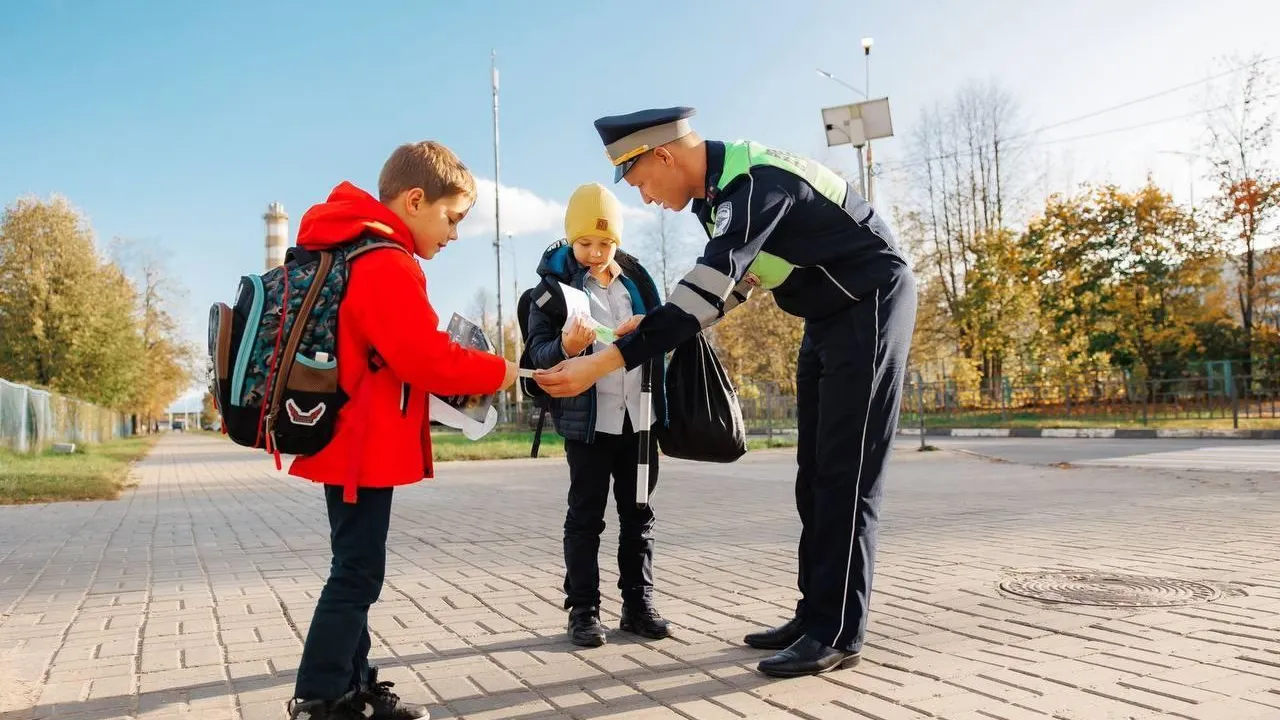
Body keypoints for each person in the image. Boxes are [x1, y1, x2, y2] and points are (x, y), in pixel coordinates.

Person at [534, 107, 917, 679]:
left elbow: (706, 293)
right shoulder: (720, 200)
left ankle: (836, 632)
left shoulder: (755, 183)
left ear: (663, 155)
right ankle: (814, 614)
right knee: (813, 475)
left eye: (640, 183)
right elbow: (733, 285)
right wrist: (658, 322)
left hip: (871, 305)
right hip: (827, 317)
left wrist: (608, 361)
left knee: (847, 473)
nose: (647, 199)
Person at [286, 141, 519, 720]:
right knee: (356, 574)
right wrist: (501, 369)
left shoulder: (360, 249)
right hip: (358, 447)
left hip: (353, 442)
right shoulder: (383, 261)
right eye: (452, 218)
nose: (455, 234)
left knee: (357, 567)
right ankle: (320, 698)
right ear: (416, 200)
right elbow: (424, 357)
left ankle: (354, 687)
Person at [523, 182, 672, 647]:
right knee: (585, 519)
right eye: (585, 242)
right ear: (570, 239)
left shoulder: (638, 285)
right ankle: (583, 610)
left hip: (639, 421)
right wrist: (566, 346)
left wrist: (648, 329)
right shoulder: (550, 294)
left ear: (618, 242)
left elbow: (663, 338)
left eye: (605, 243)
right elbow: (536, 356)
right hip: (587, 426)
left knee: (639, 515)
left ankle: (638, 605)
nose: (595, 251)